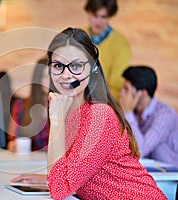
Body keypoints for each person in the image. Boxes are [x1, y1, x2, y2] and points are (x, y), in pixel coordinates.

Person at [11, 27, 166, 199]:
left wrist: (56, 120)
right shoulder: (73, 111)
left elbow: (59, 190)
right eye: (58, 65)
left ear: (92, 68)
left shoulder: (100, 116)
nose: (66, 74)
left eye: (76, 66)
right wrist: (47, 179)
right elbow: (72, 173)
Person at [119, 66, 178, 169]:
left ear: (142, 94)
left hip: (173, 178)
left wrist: (128, 113)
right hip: (153, 174)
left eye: (126, 89)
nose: (121, 93)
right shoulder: (135, 113)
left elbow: (140, 151)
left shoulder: (165, 115)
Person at [83, 0, 131, 100]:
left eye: (103, 17)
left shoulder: (121, 44)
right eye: (95, 16)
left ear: (110, 16)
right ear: (88, 13)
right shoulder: (79, 35)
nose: (98, 22)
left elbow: (117, 83)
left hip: (106, 101)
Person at [7, 57, 50, 152]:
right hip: (30, 162)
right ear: (38, 79)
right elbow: (12, 140)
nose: (50, 81)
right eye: (45, 76)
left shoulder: (67, 106)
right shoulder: (21, 105)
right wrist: (13, 145)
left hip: (59, 163)